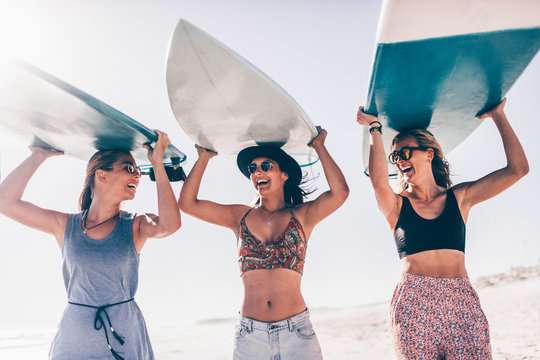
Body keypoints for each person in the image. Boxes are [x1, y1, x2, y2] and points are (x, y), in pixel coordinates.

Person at [356, 98, 528, 359]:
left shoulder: (460, 197)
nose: (399, 161)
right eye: (395, 157)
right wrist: (375, 129)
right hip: (414, 302)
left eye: (405, 153)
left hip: (460, 301)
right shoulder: (397, 205)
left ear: (429, 153)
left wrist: (498, 116)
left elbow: (518, 170)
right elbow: (379, 184)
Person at [0, 131, 181, 360]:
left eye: (138, 171)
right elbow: (5, 201)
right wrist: (39, 155)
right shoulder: (65, 225)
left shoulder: (136, 225)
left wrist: (158, 165)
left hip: (125, 339)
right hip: (74, 341)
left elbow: (170, 224)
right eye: (128, 168)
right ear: (102, 176)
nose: (137, 175)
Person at [178, 127, 348, 359]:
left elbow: (340, 193)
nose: (258, 172)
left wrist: (320, 147)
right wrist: (204, 158)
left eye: (266, 166)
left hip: (296, 332)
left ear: (284, 175)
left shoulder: (302, 215)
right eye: (253, 169)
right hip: (250, 334)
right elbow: (188, 204)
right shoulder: (240, 217)